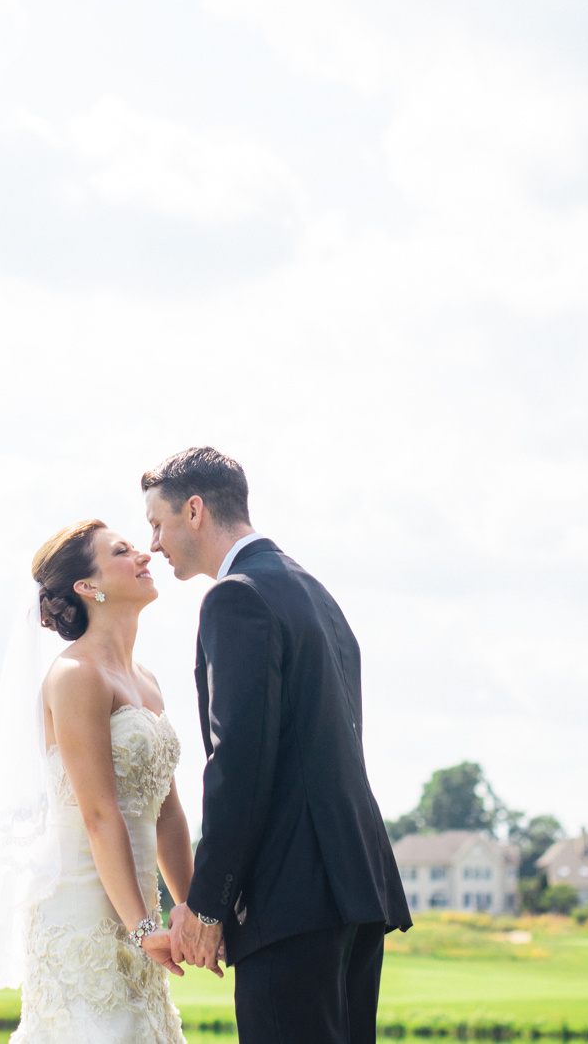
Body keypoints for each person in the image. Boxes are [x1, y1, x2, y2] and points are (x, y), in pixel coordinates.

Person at [145, 446, 411, 1044]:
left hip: (291, 901)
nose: (155, 544)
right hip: (352, 889)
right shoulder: (312, 590)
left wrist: (207, 906)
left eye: (157, 523)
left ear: (194, 511)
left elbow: (240, 762)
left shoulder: (235, 596)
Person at [0, 519, 193, 1043]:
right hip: (83, 906)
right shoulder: (75, 675)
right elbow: (99, 813)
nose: (144, 555)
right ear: (89, 588)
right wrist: (145, 928)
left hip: (137, 906)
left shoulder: (148, 681)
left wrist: (192, 911)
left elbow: (169, 813)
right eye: (122, 551)